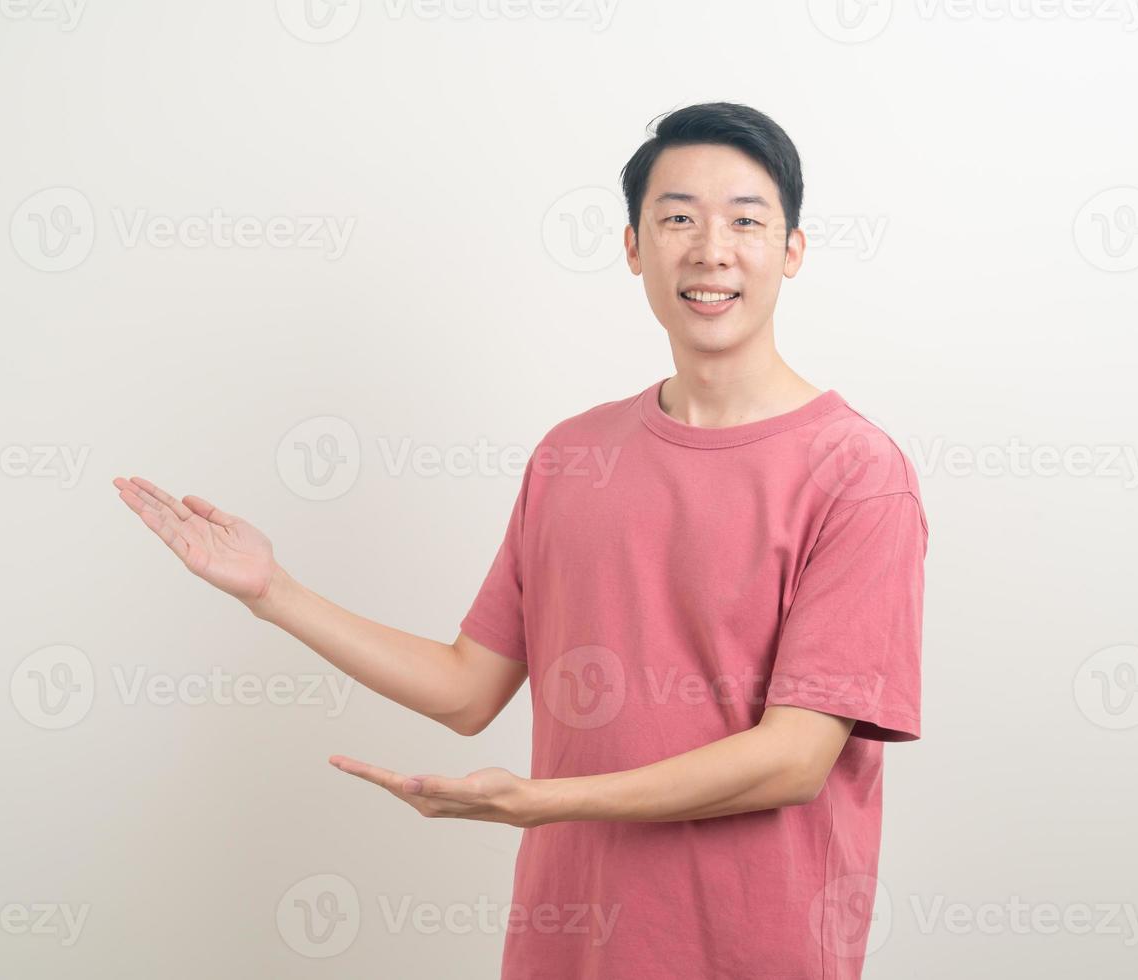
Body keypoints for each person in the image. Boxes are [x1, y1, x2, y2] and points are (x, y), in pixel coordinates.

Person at [114, 101, 928, 979]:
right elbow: (468, 688)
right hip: (566, 951)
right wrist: (274, 592)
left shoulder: (856, 473)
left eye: (746, 220)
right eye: (678, 218)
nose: (710, 249)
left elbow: (795, 760)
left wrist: (544, 801)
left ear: (793, 251)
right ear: (633, 248)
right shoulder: (573, 457)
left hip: (754, 953)